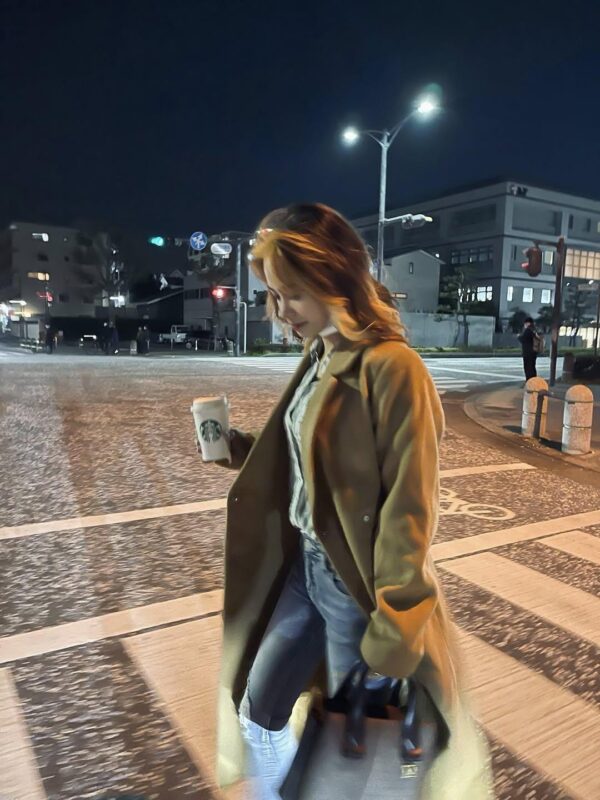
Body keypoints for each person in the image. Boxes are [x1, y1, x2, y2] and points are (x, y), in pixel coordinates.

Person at [211, 204, 492, 800]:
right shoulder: (321, 353)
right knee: (258, 712)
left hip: (357, 591)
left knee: (355, 750)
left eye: (292, 294)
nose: (280, 310)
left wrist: (396, 626)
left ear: (334, 279)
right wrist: (239, 449)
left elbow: (409, 508)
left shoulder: (394, 369)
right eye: (273, 294)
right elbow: (308, 454)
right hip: (305, 571)